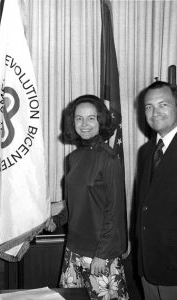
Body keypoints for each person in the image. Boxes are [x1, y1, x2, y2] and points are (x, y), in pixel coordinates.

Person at [46, 95, 128, 300]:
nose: (84, 124)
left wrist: (102, 254)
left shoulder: (109, 158)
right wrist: (56, 221)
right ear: (72, 122)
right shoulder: (73, 158)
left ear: (101, 121)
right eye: (79, 118)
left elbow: (115, 210)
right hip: (73, 249)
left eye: (91, 118)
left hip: (100, 253)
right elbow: (74, 204)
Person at [136, 81, 177, 300]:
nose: (155, 112)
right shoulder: (146, 151)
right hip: (148, 264)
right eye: (148, 107)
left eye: (163, 104)